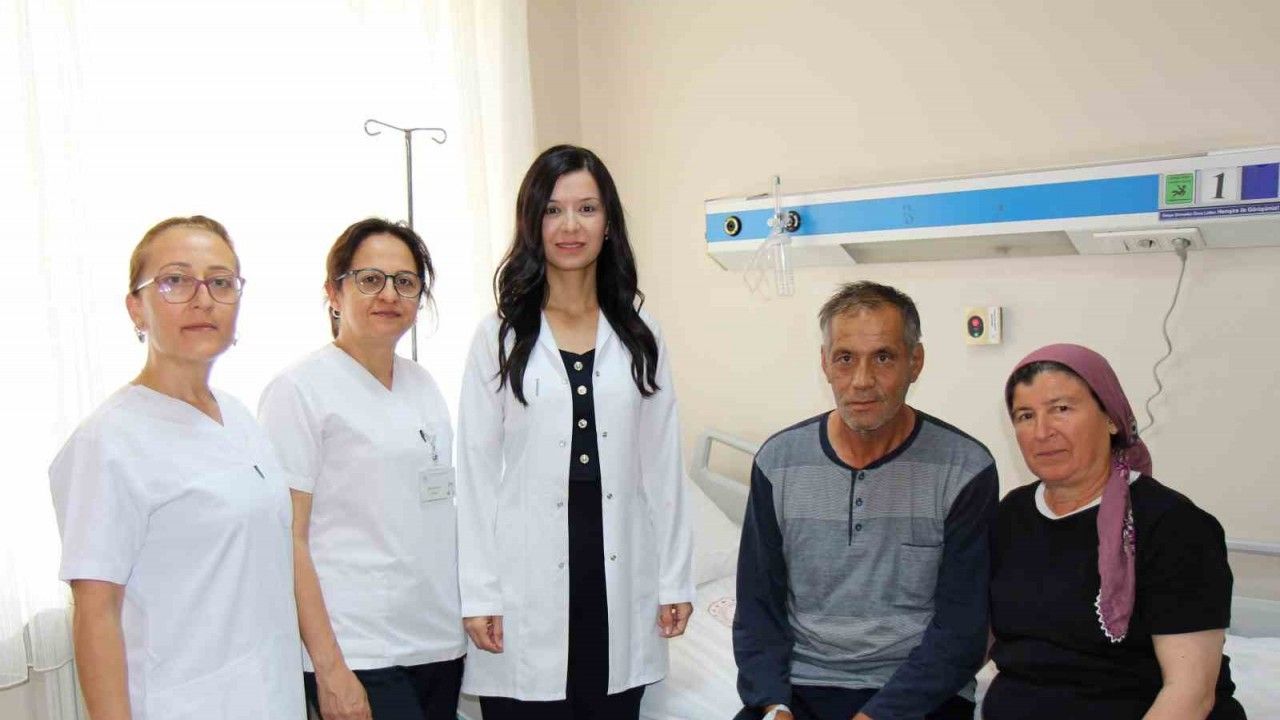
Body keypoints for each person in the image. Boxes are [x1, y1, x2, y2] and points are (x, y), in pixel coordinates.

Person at [455, 144, 694, 719]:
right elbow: (476, 474)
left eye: (586, 209)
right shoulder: (499, 336)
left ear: (608, 223)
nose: (570, 226)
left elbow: (663, 468)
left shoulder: (640, 334)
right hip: (525, 581)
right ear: (532, 223)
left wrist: (674, 580)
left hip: (618, 575)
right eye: (553, 210)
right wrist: (480, 591)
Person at [49, 216, 304, 719]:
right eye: (175, 280)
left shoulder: (239, 417)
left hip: (270, 695)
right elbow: (97, 612)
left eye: (221, 282)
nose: (202, 299)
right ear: (135, 308)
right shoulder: (109, 441)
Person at [734, 281, 997, 720]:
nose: (861, 381)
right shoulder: (778, 463)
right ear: (825, 363)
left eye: (883, 358)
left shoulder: (964, 469)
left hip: (917, 693)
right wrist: (774, 705)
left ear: (916, 362)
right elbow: (758, 608)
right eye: (845, 358)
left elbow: (962, 632)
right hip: (802, 687)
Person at [257, 218, 465, 720]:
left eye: (406, 282)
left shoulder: (423, 385)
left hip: (436, 641)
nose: (389, 294)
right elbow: (288, 538)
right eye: (370, 279)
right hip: (358, 650)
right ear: (334, 292)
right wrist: (328, 668)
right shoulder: (299, 391)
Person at [985, 343, 1246, 719]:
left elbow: (1189, 694)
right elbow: (977, 637)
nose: (1041, 432)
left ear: (1111, 418)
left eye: (1061, 409)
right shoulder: (1011, 515)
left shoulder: (1174, 526)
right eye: (1025, 415)